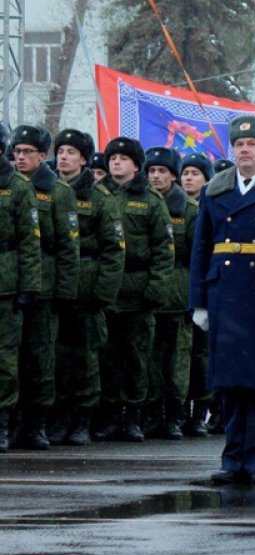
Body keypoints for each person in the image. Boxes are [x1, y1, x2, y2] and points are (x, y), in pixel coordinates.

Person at [190, 117, 255, 483]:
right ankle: (233, 457)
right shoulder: (215, 190)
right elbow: (201, 248)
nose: (244, 150)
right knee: (230, 382)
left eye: (252, 144)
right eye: (239, 145)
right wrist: (198, 300)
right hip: (226, 292)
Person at [95, 137, 171, 444]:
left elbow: (164, 249)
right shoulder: (99, 196)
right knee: (107, 356)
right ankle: (110, 415)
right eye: (112, 158)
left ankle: (133, 417)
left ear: (136, 165)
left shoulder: (151, 200)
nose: (116, 163)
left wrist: (156, 286)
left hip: (138, 289)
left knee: (137, 357)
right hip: (109, 288)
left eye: (123, 159)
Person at [51, 129, 124, 447]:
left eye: (71, 152)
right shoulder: (47, 191)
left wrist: (102, 293)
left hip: (87, 292)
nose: (63, 157)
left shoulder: (99, 199)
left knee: (85, 359)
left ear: (83, 159)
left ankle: (83, 420)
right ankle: (58, 417)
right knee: (54, 358)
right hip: (54, 289)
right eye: (60, 151)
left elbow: (114, 250)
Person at [11, 125, 79, 450]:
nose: (21, 158)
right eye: (17, 152)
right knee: (12, 356)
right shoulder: (9, 187)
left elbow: (68, 247)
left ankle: (37, 423)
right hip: (14, 283)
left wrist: (64, 292)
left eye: (28, 152)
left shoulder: (59, 191)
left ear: (42, 156)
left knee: (41, 357)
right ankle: (13, 419)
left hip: (46, 286)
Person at [143, 147, 198, 440]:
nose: (156, 176)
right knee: (151, 357)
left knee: (178, 358)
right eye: (151, 171)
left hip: (178, 293)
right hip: (151, 292)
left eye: (162, 171)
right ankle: (153, 414)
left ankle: (176, 414)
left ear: (173, 176)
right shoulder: (145, 203)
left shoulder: (189, 210)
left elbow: (195, 256)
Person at [0, 123, 42, 452]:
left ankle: (2, 421)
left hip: (6, 283)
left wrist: (29, 286)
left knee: (5, 357)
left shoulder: (17, 187)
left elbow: (30, 241)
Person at [178, 152, 213, 436]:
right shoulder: (174, 206)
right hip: (179, 287)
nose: (188, 178)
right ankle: (179, 410)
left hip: (202, 287)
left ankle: (201, 410)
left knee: (201, 355)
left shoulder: (209, 206)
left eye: (195, 174)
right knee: (182, 355)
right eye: (186, 173)